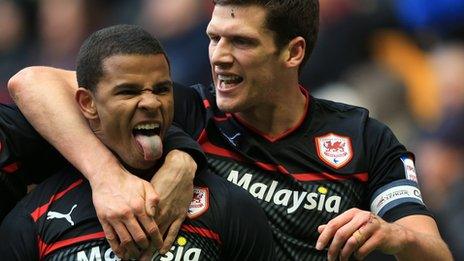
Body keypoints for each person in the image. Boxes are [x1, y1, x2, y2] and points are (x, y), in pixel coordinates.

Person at [8, 0, 453, 260]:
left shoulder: (365, 138)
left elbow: (436, 252)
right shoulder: (184, 108)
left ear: (293, 51)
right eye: (213, 37)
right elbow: (32, 82)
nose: (218, 56)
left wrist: (393, 235)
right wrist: (109, 179)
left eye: (240, 42)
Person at [0, 24, 275, 260]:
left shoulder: (231, 206)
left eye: (162, 89)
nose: (151, 102)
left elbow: (31, 83)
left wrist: (181, 158)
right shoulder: (31, 220)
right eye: (129, 92)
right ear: (87, 104)